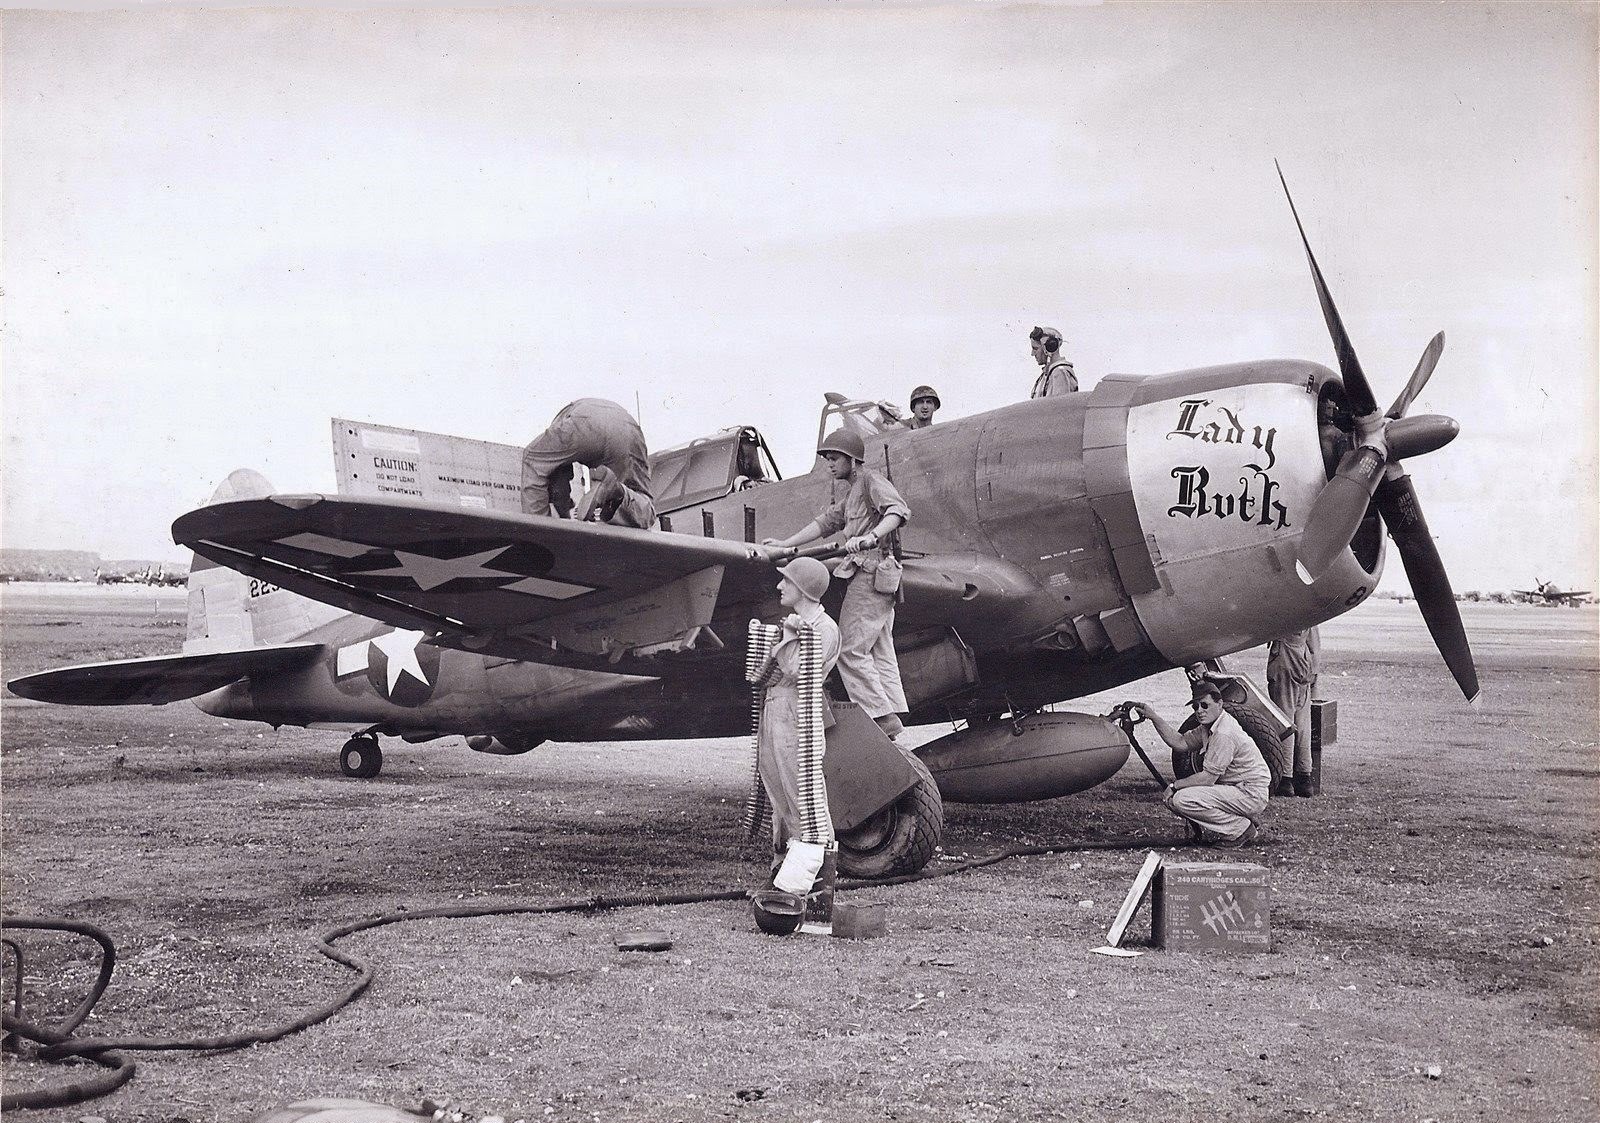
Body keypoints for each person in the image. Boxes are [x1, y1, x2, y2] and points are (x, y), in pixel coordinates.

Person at [761, 428, 912, 740]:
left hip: (871, 573)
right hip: (878, 577)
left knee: (850, 648)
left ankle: (880, 716)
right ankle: (893, 713)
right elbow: (825, 523)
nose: (829, 465)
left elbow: (898, 510)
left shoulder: (870, 481)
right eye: (827, 459)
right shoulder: (852, 492)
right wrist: (786, 545)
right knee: (879, 649)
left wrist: (872, 535)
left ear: (852, 460)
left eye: (834, 459)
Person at [742, 557, 843, 889]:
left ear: (802, 588)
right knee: (778, 795)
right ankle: (783, 870)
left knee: (804, 797)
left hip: (797, 712)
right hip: (775, 707)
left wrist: (786, 636)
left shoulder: (824, 629)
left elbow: (798, 670)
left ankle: (813, 878)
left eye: (786, 581)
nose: (779, 586)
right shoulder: (798, 623)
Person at [1133, 680, 1272, 847]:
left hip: (1250, 792)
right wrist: (1153, 716)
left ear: (1219, 703)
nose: (1199, 711)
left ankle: (1240, 829)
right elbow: (1180, 742)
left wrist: (1175, 785)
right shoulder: (1210, 726)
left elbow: (1208, 779)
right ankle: (1241, 820)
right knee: (1177, 799)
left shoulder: (1223, 733)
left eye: (1204, 705)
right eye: (1195, 707)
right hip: (1239, 789)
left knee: (1181, 800)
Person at [520, 398, 655, 528]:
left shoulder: (559, 428)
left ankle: (540, 534)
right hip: (627, 425)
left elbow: (558, 488)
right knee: (643, 504)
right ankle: (616, 491)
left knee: (533, 461)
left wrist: (561, 522)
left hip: (581, 421)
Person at [1267, 627, 1320, 797]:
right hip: (1304, 662)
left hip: (1285, 660)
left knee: (1285, 722)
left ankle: (1285, 778)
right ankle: (1304, 777)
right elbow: (1315, 645)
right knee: (1303, 724)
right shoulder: (1312, 609)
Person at [1029, 325, 1077, 398]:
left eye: (1035, 349)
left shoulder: (1059, 372)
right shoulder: (1046, 375)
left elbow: (1058, 407)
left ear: (1049, 347)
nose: (1032, 354)